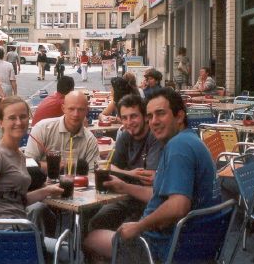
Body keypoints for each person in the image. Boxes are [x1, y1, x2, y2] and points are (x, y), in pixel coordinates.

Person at [84, 88, 220, 262]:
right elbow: (162, 194)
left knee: (89, 237)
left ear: (179, 116)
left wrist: (139, 226)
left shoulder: (178, 147)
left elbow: (179, 206)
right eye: (150, 116)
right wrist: (124, 186)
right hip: (197, 243)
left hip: (160, 246)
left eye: (160, 114)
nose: (154, 122)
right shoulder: (191, 140)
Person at [0, 96, 64, 228]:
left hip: (19, 229)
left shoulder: (20, 154)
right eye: (12, 118)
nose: (19, 122)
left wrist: (47, 191)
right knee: (67, 246)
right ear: (0, 122)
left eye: (23, 117)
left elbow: (18, 200)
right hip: (1, 233)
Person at [86, 94, 162, 235]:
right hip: (125, 197)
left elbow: (149, 178)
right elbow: (108, 165)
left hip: (147, 202)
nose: (129, 122)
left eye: (133, 116)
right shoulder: (126, 135)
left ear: (145, 117)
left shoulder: (154, 137)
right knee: (93, 222)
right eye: (124, 118)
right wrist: (130, 173)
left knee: (106, 228)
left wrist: (122, 173)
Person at [24, 91, 100, 171]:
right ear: (63, 109)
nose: (76, 114)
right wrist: (57, 166)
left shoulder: (90, 140)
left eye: (80, 109)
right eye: (71, 109)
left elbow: (92, 173)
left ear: (86, 111)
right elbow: (27, 163)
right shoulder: (43, 128)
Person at [0, 47, 17, 135]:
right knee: (6, 113)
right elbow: (13, 80)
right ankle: (5, 132)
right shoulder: (9, 65)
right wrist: (15, 93)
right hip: (7, 93)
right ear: (3, 55)